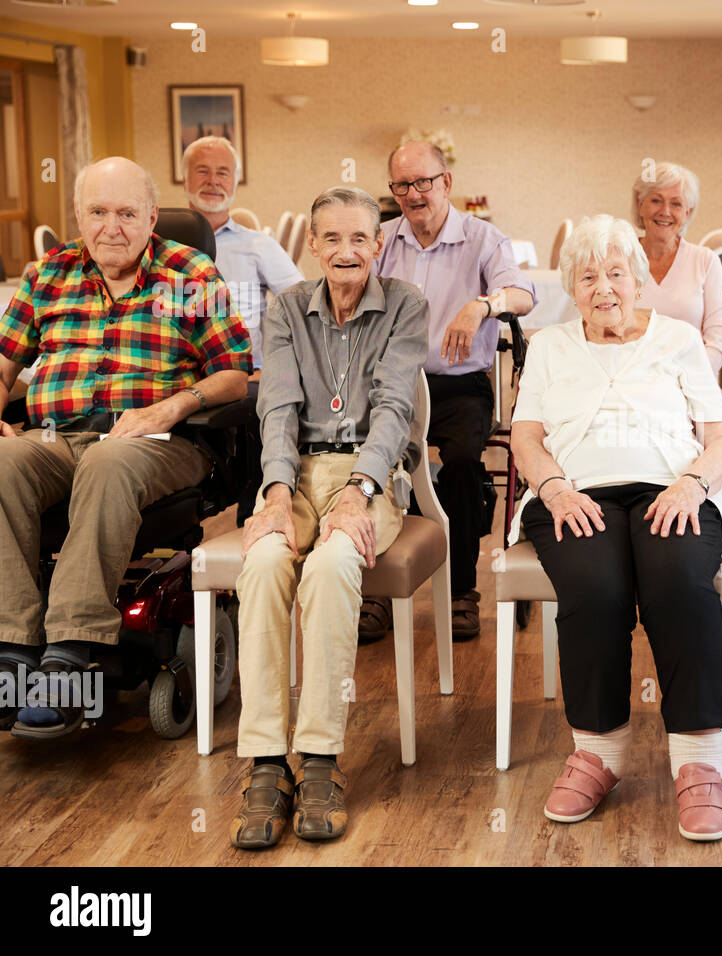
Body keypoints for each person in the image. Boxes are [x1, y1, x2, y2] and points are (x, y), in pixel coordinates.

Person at [0, 157, 250, 737]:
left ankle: (70, 650)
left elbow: (235, 374)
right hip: (58, 439)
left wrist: (172, 405)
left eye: (126, 213)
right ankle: (12, 647)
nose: (111, 227)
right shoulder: (48, 274)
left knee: (109, 460)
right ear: (79, 216)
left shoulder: (191, 274)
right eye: (98, 212)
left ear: (152, 216)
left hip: (161, 441)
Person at [510, 215, 722, 840]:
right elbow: (526, 438)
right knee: (596, 589)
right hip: (573, 492)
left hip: (672, 488)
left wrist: (693, 485)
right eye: (588, 277)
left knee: (679, 584)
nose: (604, 288)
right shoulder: (551, 346)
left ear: (639, 280)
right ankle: (597, 753)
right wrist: (553, 488)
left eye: (616, 273)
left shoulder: (679, 341)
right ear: (572, 288)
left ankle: (699, 764)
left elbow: (721, 435)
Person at [230, 186, 428, 848]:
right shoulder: (287, 309)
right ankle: (265, 763)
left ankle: (317, 758)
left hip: (368, 473)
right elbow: (277, 408)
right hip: (297, 472)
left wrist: (360, 489)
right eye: (332, 239)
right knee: (260, 563)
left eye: (359, 239)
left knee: (335, 562)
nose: (346, 252)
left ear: (378, 245)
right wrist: (277, 492)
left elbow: (395, 407)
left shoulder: (405, 305)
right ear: (312, 245)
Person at [376, 141, 536, 640]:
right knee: (365, 456)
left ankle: (462, 587)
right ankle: (376, 588)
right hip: (391, 384)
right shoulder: (380, 239)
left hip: (459, 385)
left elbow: (524, 296)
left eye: (423, 182)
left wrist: (481, 306)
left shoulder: (482, 238)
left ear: (445, 183)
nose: (413, 194)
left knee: (465, 459)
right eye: (402, 185)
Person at [183, 135, 303, 376]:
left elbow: (304, 305)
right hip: (174, 379)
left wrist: (274, 367)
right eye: (202, 171)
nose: (213, 181)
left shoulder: (259, 245)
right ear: (185, 179)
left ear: (235, 182)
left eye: (223, 173)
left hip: (244, 377)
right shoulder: (159, 244)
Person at [632, 162, 722, 375]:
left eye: (676, 204)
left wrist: (689, 379)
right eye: (656, 200)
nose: (665, 211)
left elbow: (717, 341)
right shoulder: (620, 258)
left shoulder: (706, 261)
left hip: (691, 380)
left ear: (687, 212)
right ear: (640, 206)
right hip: (631, 380)